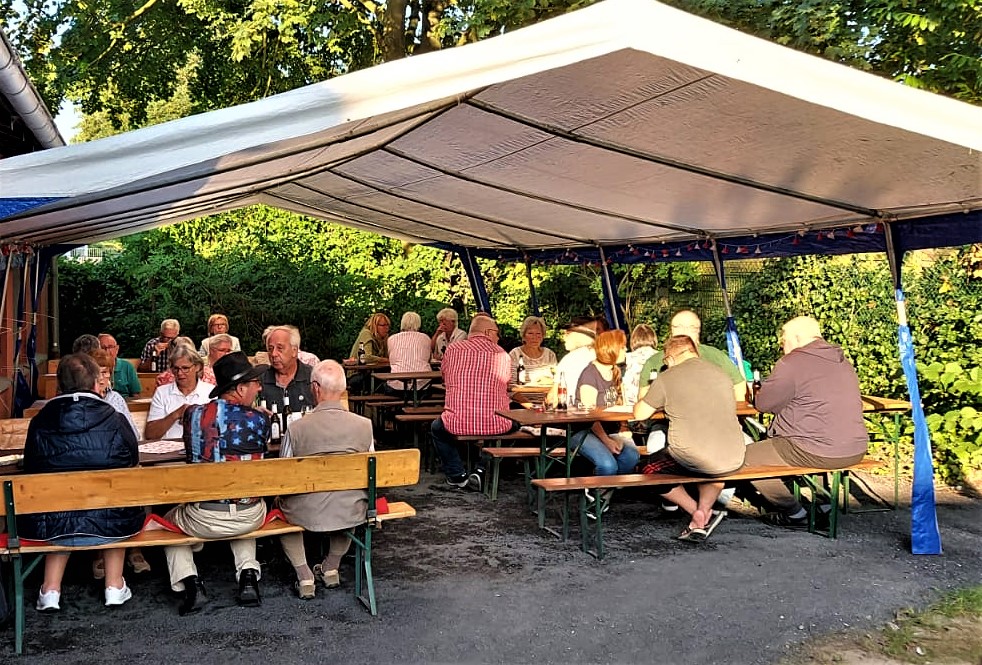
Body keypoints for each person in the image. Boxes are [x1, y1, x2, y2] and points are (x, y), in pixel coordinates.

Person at [22, 353, 142, 611]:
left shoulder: (40, 421)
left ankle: (50, 590)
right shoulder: (114, 417)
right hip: (111, 521)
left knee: (59, 503)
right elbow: (132, 459)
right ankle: (114, 586)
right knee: (116, 496)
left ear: (59, 385)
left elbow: (30, 466)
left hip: (52, 523)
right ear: (94, 382)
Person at [164, 352, 270, 615]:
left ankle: (191, 582)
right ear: (240, 388)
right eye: (254, 382)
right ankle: (247, 575)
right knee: (245, 499)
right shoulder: (260, 419)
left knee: (165, 522)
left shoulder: (192, 415)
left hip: (204, 516)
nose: (259, 387)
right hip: (250, 515)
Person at [745, 316, 868, 529]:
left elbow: (764, 404)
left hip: (815, 449)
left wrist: (757, 392)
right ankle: (824, 505)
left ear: (797, 337)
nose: (781, 344)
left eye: (783, 339)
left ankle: (793, 512)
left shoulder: (792, 363)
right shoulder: (842, 361)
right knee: (816, 433)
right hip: (855, 447)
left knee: (745, 459)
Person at [633, 335, 746, 541]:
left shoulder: (668, 377)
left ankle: (694, 510)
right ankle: (703, 515)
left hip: (692, 455)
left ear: (670, 358)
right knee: (713, 465)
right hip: (733, 455)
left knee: (647, 469)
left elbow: (640, 414)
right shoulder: (721, 374)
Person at [277, 361, 373, 599]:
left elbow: (282, 475)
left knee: (278, 507)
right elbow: (371, 470)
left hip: (305, 511)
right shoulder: (365, 426)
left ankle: (304, 574)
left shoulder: (296, 428)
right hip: (351, 509)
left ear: (316, 388)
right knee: (349, 498)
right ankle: (331, 567)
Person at [431, 315, 515, 491]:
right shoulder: (502, 354)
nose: (498, 338)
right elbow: (507, 385)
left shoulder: (452, 350)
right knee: (514, 425)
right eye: (497, 333)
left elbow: (445, 380)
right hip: (497, 422)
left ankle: (457, 475)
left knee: (437, 428)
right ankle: (481, 468)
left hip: (457, 421)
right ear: (488, 332)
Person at [88, 349, 152, 576]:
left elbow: (134, 436)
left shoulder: (115, 399)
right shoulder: (81, 403)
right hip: (92, 470)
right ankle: (99, 553)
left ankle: (134, 548)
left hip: (118, 465)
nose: (104, 378)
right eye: (99, 373)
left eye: (107, 372)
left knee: (135, 488)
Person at [569, 331, 640, 513]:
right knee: (607, 464)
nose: (626, 350)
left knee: (631, 456)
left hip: (610, 429)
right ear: (611, 349)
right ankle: (596, 500)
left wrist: (624, 428)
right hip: (584, 430)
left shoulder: (615, 371)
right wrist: (606, 440)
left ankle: (601, 492)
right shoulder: (589, 375)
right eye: (623, 347)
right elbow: (590, 414)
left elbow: (620, 404)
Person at [639, 311, 747, 401]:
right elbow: (643, 397)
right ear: (670, 330)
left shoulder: (715, 356)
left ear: (699, 331)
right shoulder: (654, 362)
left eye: (691, 327)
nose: (684, 332)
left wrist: (736, 411)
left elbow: (739, 385)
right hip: (664, 420)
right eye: (678, 327)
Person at [145, 346, 212, 440]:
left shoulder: (211, 392)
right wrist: (176, 414)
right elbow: (150, 435)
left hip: (202, 449)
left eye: (185, 368)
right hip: (168, 451)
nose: (180, 373)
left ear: (198, 367)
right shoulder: (162, 392)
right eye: (175, 368)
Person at [260, 325, 315, 414]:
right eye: (270, 349)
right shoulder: (260, 380)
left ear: (294, 351)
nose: (273, 354)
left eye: (280, 348)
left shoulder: (313, 378)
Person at [547, 318, 598, 406]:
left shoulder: (568, 360)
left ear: (578, 335)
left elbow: (552, 398)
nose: (563, 338)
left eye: (567, 333)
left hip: (573, 413)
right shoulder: (602, 356)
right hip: (601, 412)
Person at [384, 311, 433, 396]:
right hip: (422, 387)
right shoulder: (426, 338)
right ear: (418, 324)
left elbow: (391, 360)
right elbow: (429, 360)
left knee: (381, 386)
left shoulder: (392, 339)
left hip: (397, 386)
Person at [158, 334, 230, 387]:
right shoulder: (211, 375)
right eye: (222, 350)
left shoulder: (162, 378)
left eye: (185, 368)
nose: (180, 373)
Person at [509, 316, 557, 385]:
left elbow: (557, 379)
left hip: (547, 395)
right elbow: (511, 384)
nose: (534, 337)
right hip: (521, 395)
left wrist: (548, 380)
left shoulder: (550, 354)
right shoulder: (515, 354)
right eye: (530, 333)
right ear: (523, 336)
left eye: (538, 333)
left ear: (543, 336)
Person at [622, 324, 657, 407]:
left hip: (629, 408)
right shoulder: (661, 357)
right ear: (653, 339)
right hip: (654, 408)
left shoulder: (625, 358)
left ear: (633, 340)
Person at [98, 333, 142, 398]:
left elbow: (136, 394)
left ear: (117, 349)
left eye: (110, 347)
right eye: (103, 347)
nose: (107, 351)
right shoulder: (93, 367)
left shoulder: (127, 366)